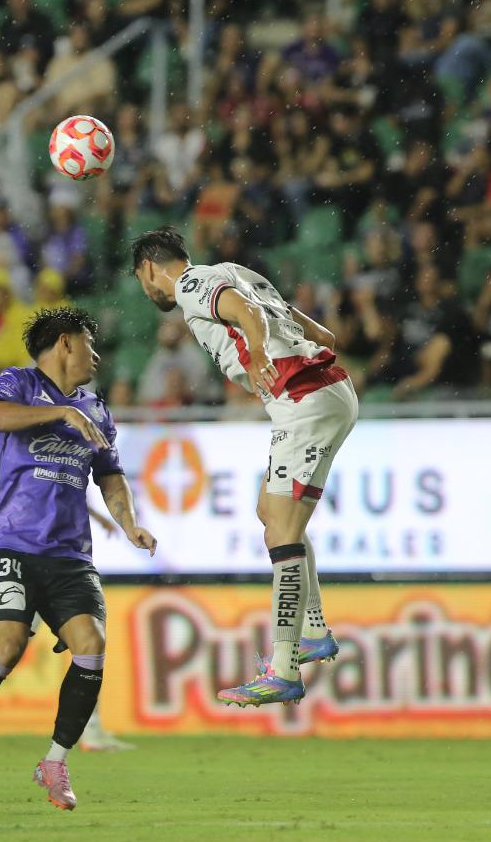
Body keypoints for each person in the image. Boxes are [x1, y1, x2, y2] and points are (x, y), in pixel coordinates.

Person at [0, 308, 156, 811]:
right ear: (64, 343)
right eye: (89, 343)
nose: (96, 356)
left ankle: (54, 761)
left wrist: (129, 523)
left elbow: (111, 476)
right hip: (12, 544)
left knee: (91, 645)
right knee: (6, 645)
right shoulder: (19, 382)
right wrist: (60, 413)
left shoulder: (96, 410)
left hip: (71, 554)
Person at [130, 226, 356, 706]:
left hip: (303, 398)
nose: (145, 291)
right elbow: (277, 307)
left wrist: (254, 355)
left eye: (140, 280)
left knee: (281, 533)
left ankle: (283, 667)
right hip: (327, 391)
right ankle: (312, 630)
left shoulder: (190, 286)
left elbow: (247, 310)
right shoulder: (229, 270)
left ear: (149, 267)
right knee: (271, 514)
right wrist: (314, 333)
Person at [0, 508, 134, 753]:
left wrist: (101, 518)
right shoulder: (24, 481)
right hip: (31, 561)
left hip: (48, 558)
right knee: (10, 649)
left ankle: (92, 729)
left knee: (83, 646)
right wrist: (102, 518)